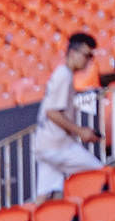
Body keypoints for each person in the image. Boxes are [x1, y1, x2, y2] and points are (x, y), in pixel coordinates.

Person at [33, 33, 103, 199]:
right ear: (72, 53)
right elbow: (52, 112)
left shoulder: (63, 74)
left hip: (45, 144)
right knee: (101, 173)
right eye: (86, 55)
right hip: (57, 146)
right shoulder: (64, 75)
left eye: (91, 56)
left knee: (45, 198)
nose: (89, 60)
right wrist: (80, 131)